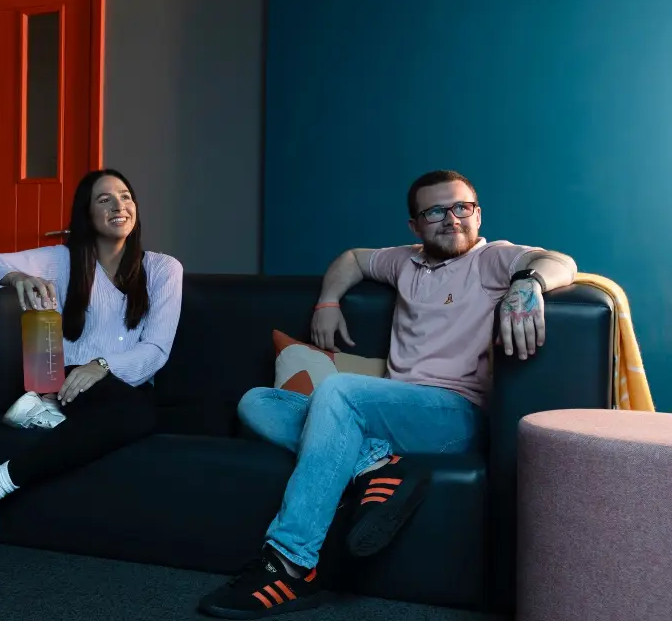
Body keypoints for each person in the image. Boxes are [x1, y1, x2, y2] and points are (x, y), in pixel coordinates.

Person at [197, 169, 577, 618]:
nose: (451, 219)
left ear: (477, 214)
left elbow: (560, 261)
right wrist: (328, 302)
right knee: (256, 401)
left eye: (462, 207)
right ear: (415, 225)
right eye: (435, 211)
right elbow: (353, 259)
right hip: (393, 412)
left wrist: (527, 283)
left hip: (455, 416)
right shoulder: (405, 261)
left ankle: (290, 564)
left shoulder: (491, 258)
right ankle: (375, 464)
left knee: (338, 393)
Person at [0, 168, 184, 564]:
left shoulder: (164, 269)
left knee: (142, 411)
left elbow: (155, 350)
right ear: (87, 214)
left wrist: (102, 365)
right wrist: (14, 277)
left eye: (126, 197)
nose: (119, 205)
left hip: (118, 384)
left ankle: (13, 449)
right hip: (69, 382)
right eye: (105, 199)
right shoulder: (60, 260)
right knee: (138, 414)